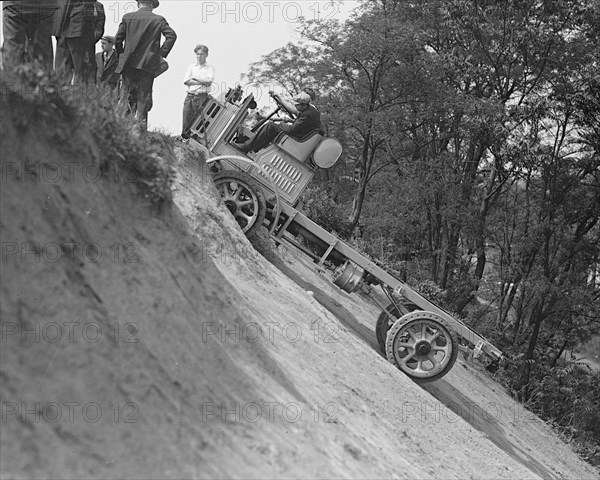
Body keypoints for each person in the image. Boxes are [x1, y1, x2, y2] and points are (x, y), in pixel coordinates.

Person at [115, 0, 177, 130]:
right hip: (147, 65)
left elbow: (118, 39)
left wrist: (122, 55)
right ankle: (140, 131)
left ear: (138, 4)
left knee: (125, 95)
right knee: (142, 98)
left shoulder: (128, 17)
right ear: (151, 5)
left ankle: (120, 128)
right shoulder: (159, 19)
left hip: (128, 64)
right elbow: (171, 36)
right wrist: (160, 54)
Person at [236, 91, 322, 154]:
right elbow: (301, 123)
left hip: (299, 139)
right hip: (302, 137)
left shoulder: (307, 114)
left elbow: (291, 130)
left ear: (303, 105)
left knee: (270, 126)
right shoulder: (310, 109)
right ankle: (254, 148)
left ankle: (246, 147)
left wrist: (282, 124)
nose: (295, 107)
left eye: (297, 105)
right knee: (274, 126)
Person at [54, 0, 105, 84]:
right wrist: (60, 37)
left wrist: (89, 40)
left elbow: (99, 27)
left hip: (83, 42)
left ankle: (81, 94)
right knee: (62, 74)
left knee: (83, 75)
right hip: (64, 42)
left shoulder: (97, 5)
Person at [2, 0, 58, 71]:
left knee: (13, 47)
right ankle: (43, 79)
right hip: (45, 5)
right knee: (42, 49)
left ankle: (12, 80)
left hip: (14, 5)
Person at [181, 44, 214, 138]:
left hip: (202, 96)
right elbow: (186, 81)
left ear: (206, 55)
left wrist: (194, 77)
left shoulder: (210, 68)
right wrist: (201, 81)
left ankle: (195, 140)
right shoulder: (191, 67)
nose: (199, 56)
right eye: (198, 54)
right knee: (186, 118)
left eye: (202, 54)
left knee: (198, 121)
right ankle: (184, 139)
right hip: (190, 96)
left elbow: (208, 81)